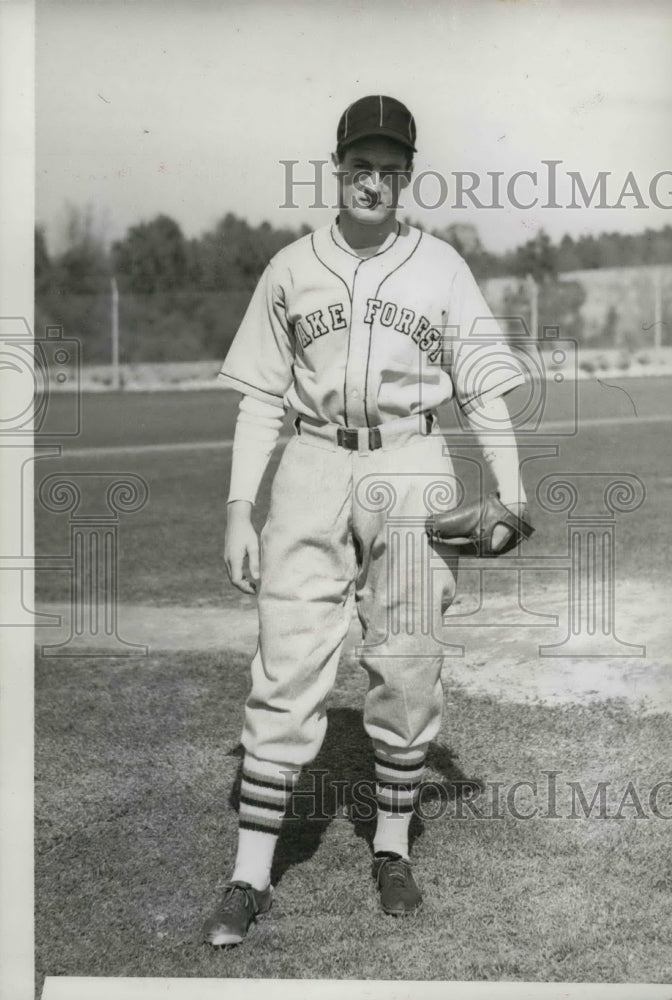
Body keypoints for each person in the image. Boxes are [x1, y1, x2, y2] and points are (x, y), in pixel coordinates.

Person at [203, 95, 528, 946]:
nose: (373, 181)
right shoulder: (289, 267)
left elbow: (485, 388)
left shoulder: (444, 269)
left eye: (390, 168)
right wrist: (240, 507)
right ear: (338, 168)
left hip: (412, 462)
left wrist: (514, 493)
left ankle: (391, 849)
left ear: (406, 177)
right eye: (360, 166)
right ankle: (248, 874)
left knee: (409, 659)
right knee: (286, 659)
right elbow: (257, 402)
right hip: (311, 464)